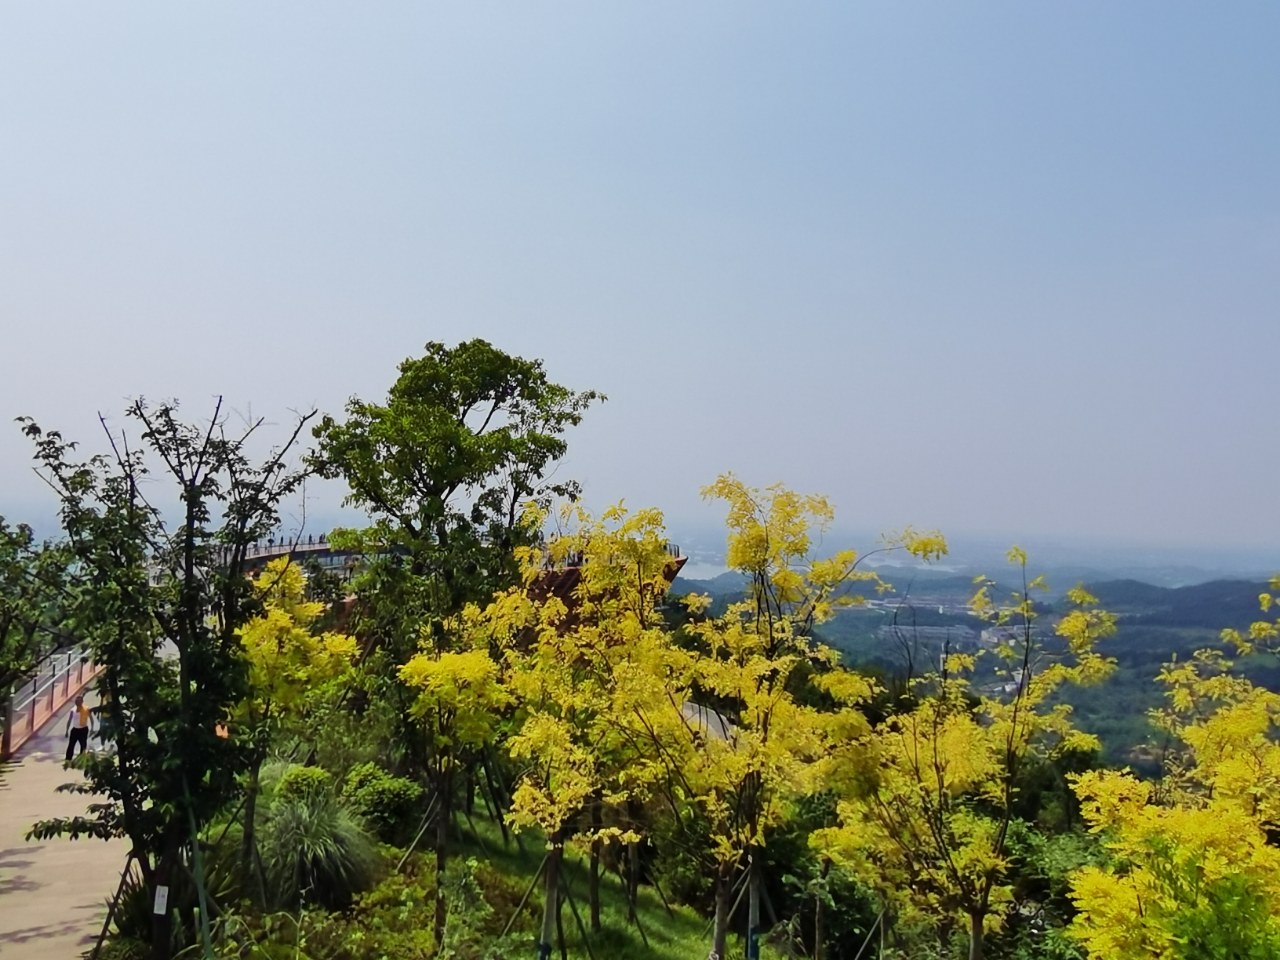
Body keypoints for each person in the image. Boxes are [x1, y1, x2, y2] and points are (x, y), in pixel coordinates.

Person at [65, 694, 91, 761]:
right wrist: (67, 731)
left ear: (82, 702)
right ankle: (68, 759)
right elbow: (69, 720)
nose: (77, 703)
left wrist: (92, 728)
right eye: (76, 701)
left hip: (83, 729)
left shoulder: (86, 709)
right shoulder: (73, 710)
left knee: (83, 745)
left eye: (79, 701)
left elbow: (91, 718)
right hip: (75, 730)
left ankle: (82, 759)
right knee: (71, 745)